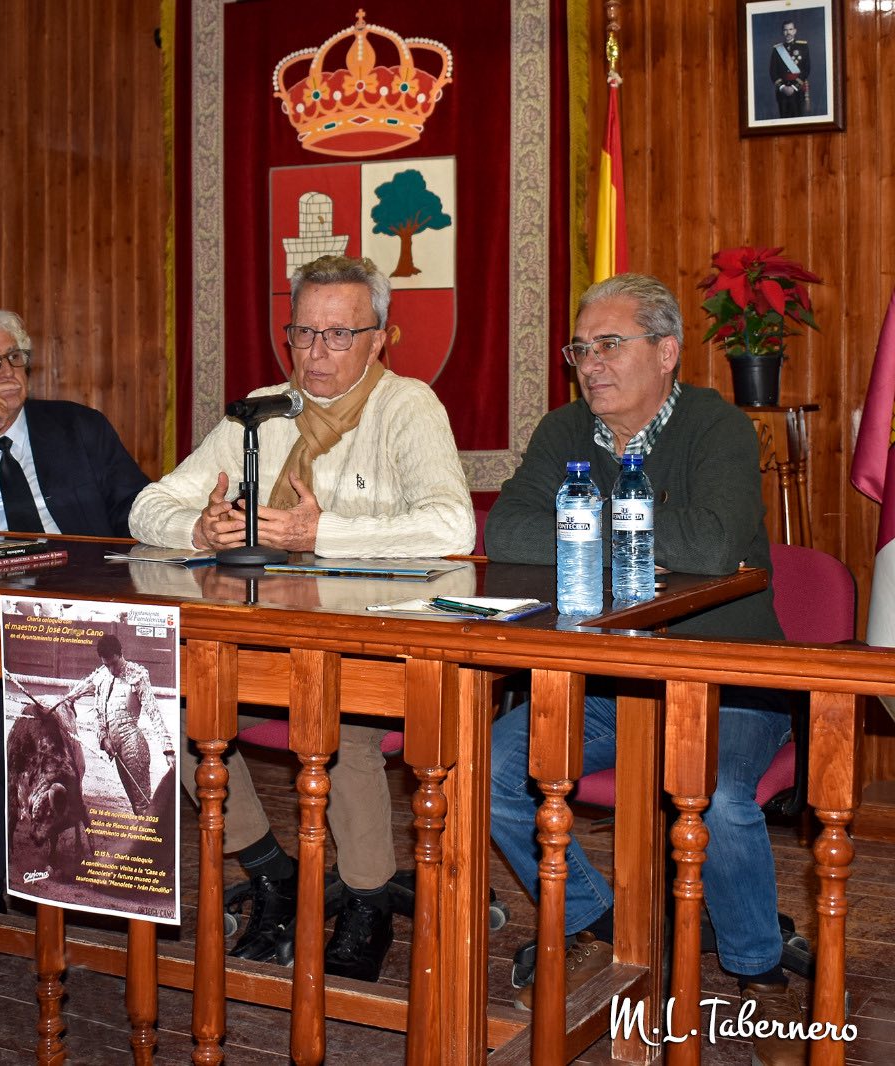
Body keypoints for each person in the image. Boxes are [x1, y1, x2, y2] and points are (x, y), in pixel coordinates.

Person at [483, 273, 805, 1065]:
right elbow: (508, 533)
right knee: (488, 769)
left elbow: (713, 544)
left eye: (609, 345)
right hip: (608, 681)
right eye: (580, 349)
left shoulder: (718, 427)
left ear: (666, 353)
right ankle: (602, 923)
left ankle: (758, 966)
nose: (590, 364)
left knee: (716, 795)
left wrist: (583, 521)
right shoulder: (564, 430)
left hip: (727, 676)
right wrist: (629, 530)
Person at [128, 253, 474, 982]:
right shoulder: (261, 411)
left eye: (339, 334)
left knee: (340, 724)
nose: (316, 353)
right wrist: (198, 528)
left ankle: (369, 902)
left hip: (375, 642)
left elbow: (453, 526)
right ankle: (270, 870)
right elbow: (147, 504)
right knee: (169, 709)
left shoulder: (407, 406)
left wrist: (324, 533)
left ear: (378, 339)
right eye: (303, 333)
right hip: (267, 637)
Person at [0, 307, 150, 912]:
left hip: (81, 605)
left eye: (15, 358)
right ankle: (5, 869)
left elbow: (137, 508)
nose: (9, 372)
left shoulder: (78, 428)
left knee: (13, 716)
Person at [60, 632, 173, 816]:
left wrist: (168, 750)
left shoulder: (137, 675)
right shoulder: (102, 676)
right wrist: (103, 738)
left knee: (143, 804)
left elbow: (154, 713)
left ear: (121, 654)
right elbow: (96, 710)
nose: (112, 670)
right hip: (114, 746)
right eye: (107, 665)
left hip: (133, 745)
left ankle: (151, 834)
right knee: (135, 804)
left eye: (114, 663)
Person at [768, 19, 812, 119]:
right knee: (784, 119)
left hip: (798, 89)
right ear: (782, 32)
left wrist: (794, 87)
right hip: (782, 91)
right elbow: (773, 72)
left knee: (798, 119)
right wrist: (782, 87)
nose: (788, 32)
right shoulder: (777, 49)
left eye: (790, 29)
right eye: (785, 30)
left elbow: (806, 68)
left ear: (795, 31)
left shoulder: (803, 46)